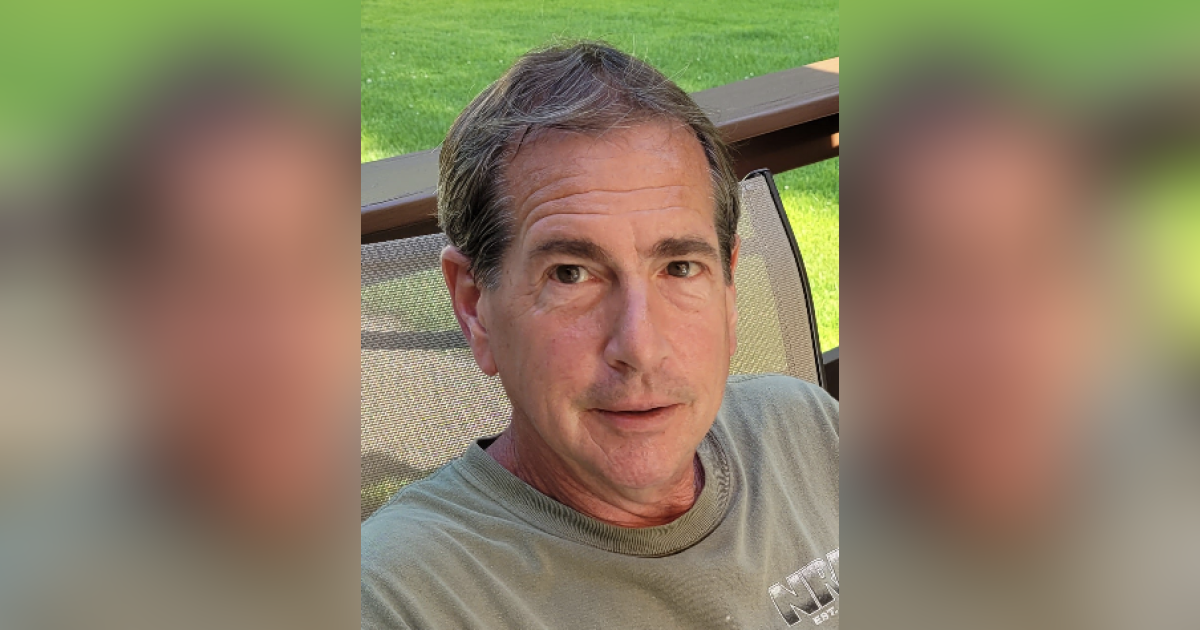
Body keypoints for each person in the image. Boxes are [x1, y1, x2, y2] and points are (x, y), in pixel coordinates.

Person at [361, 41, 839, 629]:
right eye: (570, 274)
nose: (640, 347)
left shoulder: (807, 429)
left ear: (729, 287)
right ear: (474, 306)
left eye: (680, 267)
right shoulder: (397, 600)